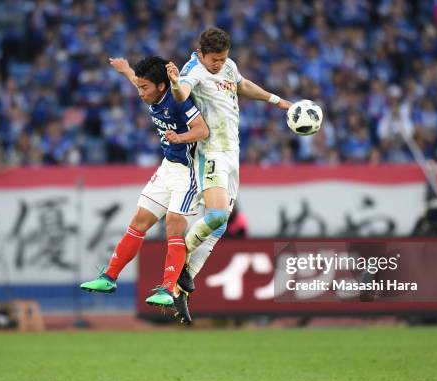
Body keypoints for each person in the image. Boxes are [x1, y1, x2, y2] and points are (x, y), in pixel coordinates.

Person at [80, 56, 208, 322]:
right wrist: (125, 69)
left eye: (144, 88)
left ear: (162, 85)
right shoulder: (152, 92)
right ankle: (110, 276)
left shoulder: (177, 100)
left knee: (174, 223)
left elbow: (202, 129)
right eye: (138, 87)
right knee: (139, 220)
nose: (140, 93)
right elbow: (136, 80)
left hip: (188, 171)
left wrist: (181, 137)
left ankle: (168, 289)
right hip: (168, 167)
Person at [167, 28, 292, 299]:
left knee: (220, 225)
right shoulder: (193, 70)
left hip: (232, 152)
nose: (219, 64)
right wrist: (176, 84)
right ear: (201, 54)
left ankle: (183, 274)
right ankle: (177, 259)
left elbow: (242, 84)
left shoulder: (228, 66)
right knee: (216, 216)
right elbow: (181, 93)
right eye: (215, 60)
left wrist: (278, 101)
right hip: (210, 151)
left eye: (224, 59)